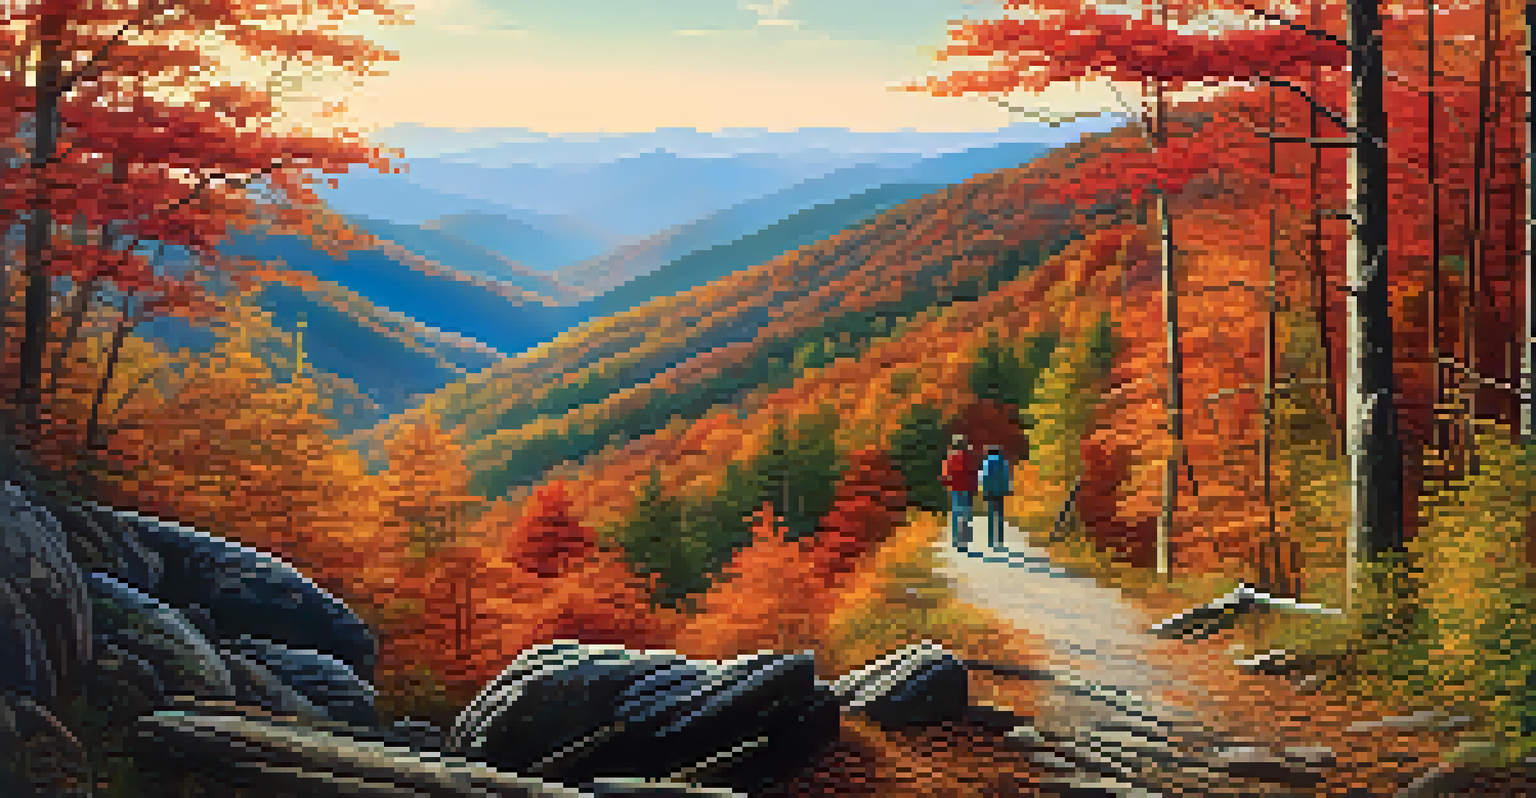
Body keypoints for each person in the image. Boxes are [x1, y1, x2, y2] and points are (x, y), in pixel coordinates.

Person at [940, 434, 978, 550]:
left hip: (955, 488)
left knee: (956, 513)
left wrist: (947, 484)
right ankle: (965, 539)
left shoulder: (950, 457)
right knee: (966, 513)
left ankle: (956, 540)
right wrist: (975, 487)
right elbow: (975, 472)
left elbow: (946, 474)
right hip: (967, 488)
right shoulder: (970, 457)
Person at [979, 444, 1011, 549]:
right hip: (1000, 492)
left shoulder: (987, 462)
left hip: (990, 491)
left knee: (991, 516)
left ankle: (991, 540)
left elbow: (985, 477)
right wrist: (1006, 490)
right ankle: (1000, 540)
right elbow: (1006, 477)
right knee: (1000, 516)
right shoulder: (1004, 463)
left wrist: (984, 491)